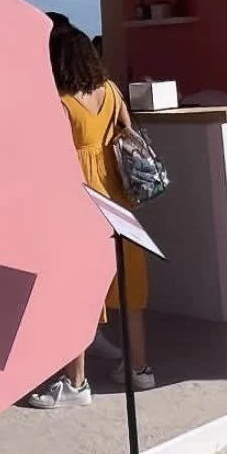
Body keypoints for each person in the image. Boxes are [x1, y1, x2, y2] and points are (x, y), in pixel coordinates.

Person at [28, 25, 154, 409]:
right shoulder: (112, 91)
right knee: (129, 287)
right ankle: (140, 369)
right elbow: (129, 134)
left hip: (80, 199)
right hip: (117, 199)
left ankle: (76, 382)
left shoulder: (61, 102)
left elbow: (51, 156)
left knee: (78, 292)